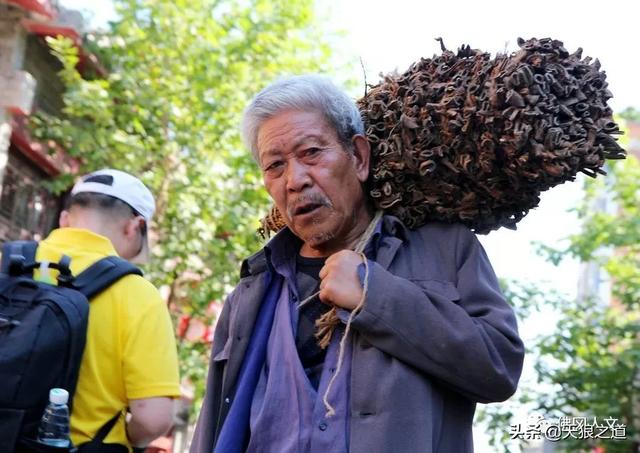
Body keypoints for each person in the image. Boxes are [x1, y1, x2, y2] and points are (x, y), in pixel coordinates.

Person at [191, 75, 525, 453]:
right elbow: (212, 429)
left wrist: (375, 296)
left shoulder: (443, 249)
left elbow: (499, 367)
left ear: (359, 158)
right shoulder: (251, 293)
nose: (295, 180)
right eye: (275, 166)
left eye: (312, 152)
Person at [36, 169, 180, 451]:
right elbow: (153, 419)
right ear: (133, 227)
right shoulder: (138, 295)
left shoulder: (11, 265)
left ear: (65, 220)